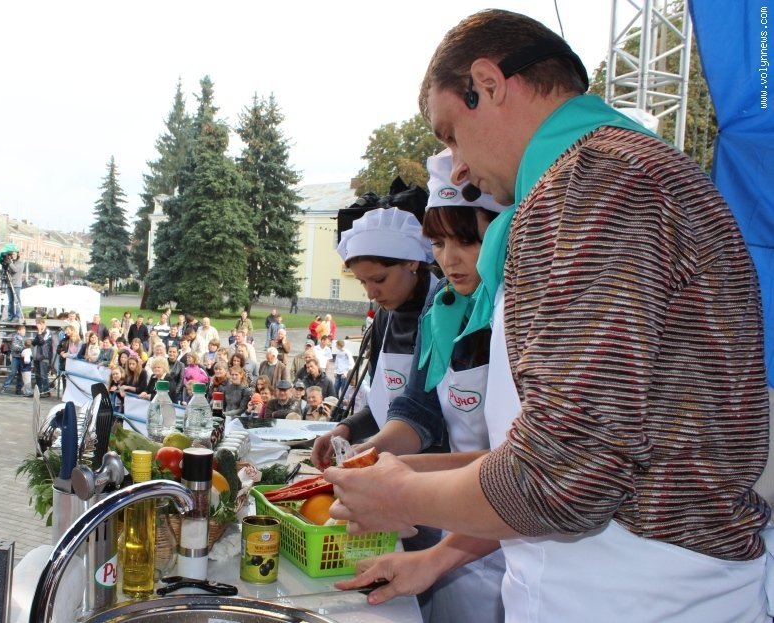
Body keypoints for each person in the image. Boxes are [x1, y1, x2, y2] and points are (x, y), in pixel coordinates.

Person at [326, 10, 771, 622]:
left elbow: (566, 479)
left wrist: (403, 494)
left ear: (488, 83)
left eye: (451, 134)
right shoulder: (620, 174)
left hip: (638, 598)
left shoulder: (595, 181)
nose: (457, 168)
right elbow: (575, 452)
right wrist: (433, 539)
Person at [332, 149, 508, 623]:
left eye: (466, 242)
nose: (449, 260)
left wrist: (400, 477)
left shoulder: (517, 315)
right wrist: (370, 454)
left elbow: (528, 467)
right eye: (438, 243)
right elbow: (420, 408)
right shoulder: (443, 308)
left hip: (510, 526)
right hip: (460, 516)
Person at [311, 206, 436, 466]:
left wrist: (375, 447)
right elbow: (385, 404)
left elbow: (427, 411)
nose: (370, 293)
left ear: (412, 262)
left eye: (379, 279)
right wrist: (346, 429)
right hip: (393, 463)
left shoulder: (445, 312)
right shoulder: (384, 318)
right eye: (362, 282)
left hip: (449, 468)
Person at [1, 324, 28, 394]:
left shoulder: (25, 338)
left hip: (22, 358)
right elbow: (15, 347)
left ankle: (18, 389)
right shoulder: (15, 337)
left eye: (25, 330)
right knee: (13, 372)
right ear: (18, 331)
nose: (24, 332)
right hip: (16, 357)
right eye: (23, 330)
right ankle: (5, 386)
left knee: (20, 374)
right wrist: (24, 348)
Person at [31, 317, 54, 397]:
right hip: (37, 356)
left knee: (43, 374)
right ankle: (39, 391)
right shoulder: (39, 332)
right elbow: (33, 342)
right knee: (37, 375)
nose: (37, 326)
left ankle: (46, 391)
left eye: (38, 324)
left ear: (42, 324)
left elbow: (42, 342)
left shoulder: (47, 332)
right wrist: (39, 334)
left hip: (44, 356)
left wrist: (40, 332)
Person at [5, 251, 24, 321]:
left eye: (14, 254)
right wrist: (6, 264)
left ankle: (17, 316)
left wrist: (10, 263)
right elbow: (6, 271)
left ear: (17, 255)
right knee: (10, 301)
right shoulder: (10, 262)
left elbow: (15, 270)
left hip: (16, 285)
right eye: (11, 254)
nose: (12, 255)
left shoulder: (20, 263)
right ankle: (10, 315)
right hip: (9, 284)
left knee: (17, 301)